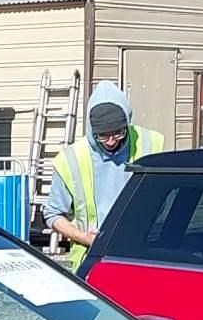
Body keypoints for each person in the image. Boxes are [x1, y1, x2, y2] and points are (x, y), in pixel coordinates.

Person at [45, 80, 164, 269]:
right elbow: (53, 215)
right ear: (92, 131)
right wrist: (83, 237)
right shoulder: (70, 160)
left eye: (117, 133)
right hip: (91, 257)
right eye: (102, 135)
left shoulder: (152, 144)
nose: (110, 141)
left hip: (144, 254)